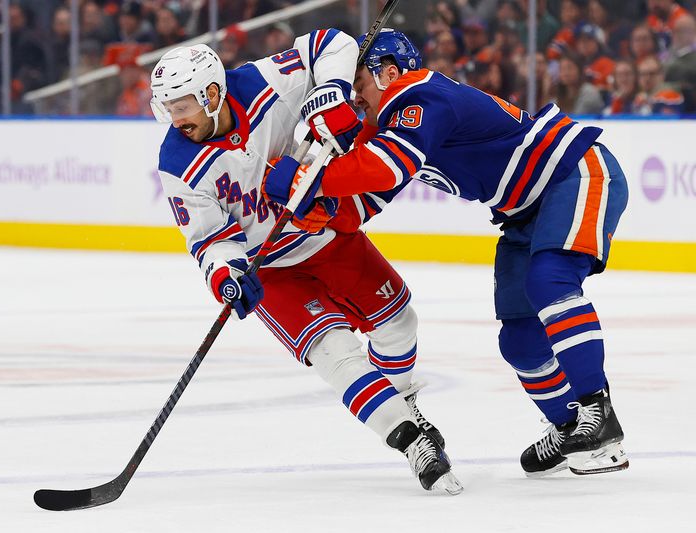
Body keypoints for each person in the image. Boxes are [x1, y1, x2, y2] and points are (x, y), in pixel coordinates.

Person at [265, 29, 630, 478]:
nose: (355, 99)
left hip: (574, 173)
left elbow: (385, 167)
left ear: (388, 72)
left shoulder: (421, 92)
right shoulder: (391, 127)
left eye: (358, 84)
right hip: (522, 213)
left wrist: (310, 182)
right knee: (518, 337)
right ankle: (570, 424)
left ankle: (600, 414)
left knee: (549, 280)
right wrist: (315, 209)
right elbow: (364, 202)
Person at [149, 29, 462, 493]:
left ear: (212, 94)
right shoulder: (178, 163)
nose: (174, 120)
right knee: (334, 351)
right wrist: (227, 274)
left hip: (322, 234)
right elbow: (209, 238)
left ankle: (404, 400)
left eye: (181, 107)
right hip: (270, 269)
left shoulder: (260, 83)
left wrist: (329, 90)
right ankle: (411, 438)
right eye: (167, 108)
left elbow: (330, 44)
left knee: (399, 322)